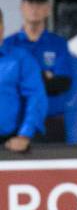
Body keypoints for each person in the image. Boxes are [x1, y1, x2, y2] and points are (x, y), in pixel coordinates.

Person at [5, 0, 73, 142]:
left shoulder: (57, 44)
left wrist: (25, 81)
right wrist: (43, 77)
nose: (34, 8)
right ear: (22, 6)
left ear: (48, 8)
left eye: (40, 3)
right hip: (17, 124)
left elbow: (62, 84)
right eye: (30, 2)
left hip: (51, 123)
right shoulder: (9, 44)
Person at [0, 8, 48, 152]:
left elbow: (36, 97)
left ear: (2, 27)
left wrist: (25, 135)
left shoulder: (21, 59)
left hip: (11, 143)